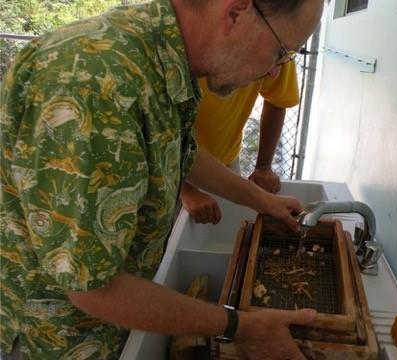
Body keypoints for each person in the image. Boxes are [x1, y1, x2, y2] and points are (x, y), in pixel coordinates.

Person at [0, 0, 324, 359]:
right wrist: (239, 327)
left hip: (105, 328)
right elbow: (92, 288)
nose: (274, 73)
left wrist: (263, 201)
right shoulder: (94, 85)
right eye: (281, 51)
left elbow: (180, 151)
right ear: (236, 12)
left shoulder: (160, 54)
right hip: (53, 341)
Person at [181, 61, 299, 224]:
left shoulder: (282, 46)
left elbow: (277, 99)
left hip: (224, 159)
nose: (275, 73)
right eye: (277, 56)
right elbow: (161, 138)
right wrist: (184, 190)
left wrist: (263, 167)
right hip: (170, 169)